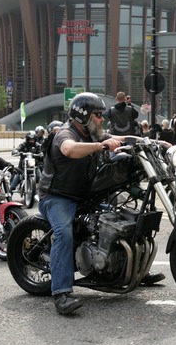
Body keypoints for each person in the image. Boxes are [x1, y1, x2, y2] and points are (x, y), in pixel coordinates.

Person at [37, 92, 164, 315]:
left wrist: (152, 142)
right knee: (63, 233)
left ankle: (136, 272)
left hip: (84, 194)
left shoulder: (91, 133)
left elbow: (119, 138)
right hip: (57, 197)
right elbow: (68, 149)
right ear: (83, 116)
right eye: (97, 115)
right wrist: (102, 146)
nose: (102, 119)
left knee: (126, 214)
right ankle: (61, 293)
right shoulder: (65, 134)